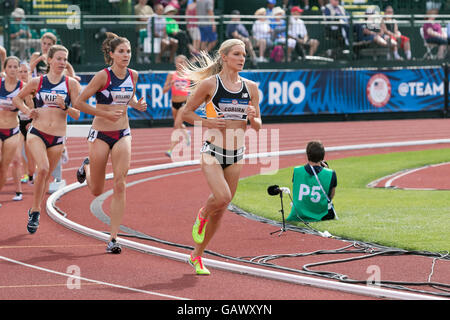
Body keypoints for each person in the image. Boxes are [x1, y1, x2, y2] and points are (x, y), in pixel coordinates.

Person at [182, 39, 262, 275]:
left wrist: (252, 117)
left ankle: (197, 255)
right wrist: (207, 121)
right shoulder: (210, 85)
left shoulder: (252, 88)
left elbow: (257, 125)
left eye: (244, 55)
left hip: (237, 154)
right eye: (237, 54)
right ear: (224, 57)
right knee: (222, 196)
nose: (242, 58)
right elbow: (186, 113)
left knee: (223, 207)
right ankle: (202, 213)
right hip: (213, 151)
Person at [73, 33, 147, 254]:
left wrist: (137, 105)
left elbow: (129, 98)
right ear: (112, 54)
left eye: (129, 52)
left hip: (123, 132)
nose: (126, 55)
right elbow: (79, 102)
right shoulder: (102, 76)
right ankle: (85, 167)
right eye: (122, 52)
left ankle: (113, 238)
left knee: (120, 183)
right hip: (100, 133)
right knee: (96, 190)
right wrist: (102, 113)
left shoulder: (133, 75)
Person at [12, 45, 81, 234]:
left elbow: (77, 114)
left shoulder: (71, 84)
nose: (62, 62)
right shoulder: (37, 82)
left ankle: (34, 208)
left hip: (57, 137)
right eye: (58, 58)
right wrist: (28, 111)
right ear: (49, 60)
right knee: (41, 168)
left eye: (65, 59)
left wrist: (65, 105)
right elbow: (17, 99)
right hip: (37, 133)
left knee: (45, 177)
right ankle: (35, 211)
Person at [287, 140, 337, 222]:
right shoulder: (330, 173)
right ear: (323, 156)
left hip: (299, 213)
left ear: (307, 155)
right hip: (323, 214)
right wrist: (326, 170)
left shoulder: (297, 171)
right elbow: (330, 196)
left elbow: (296, 190)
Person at [0, 57, 25, 206]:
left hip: (12, 130)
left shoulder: (23, 87)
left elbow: (30, 106)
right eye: (10, 66)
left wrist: (30, 112)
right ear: (5, 68)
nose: (13, 69)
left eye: (16, 67)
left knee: (4, 167)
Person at [162, 55, 191, 158]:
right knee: (179, 124)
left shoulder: (189, 75)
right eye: (178, 62)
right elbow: (164, 90)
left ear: (186, 63)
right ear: (175, 63)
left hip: (184, 103)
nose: (180, 64)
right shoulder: (171, 75)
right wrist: (171, 84)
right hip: (174, 103)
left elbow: (197, 88)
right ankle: (187, 134)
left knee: (176, 125)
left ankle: (171, 149)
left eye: (182, 62)